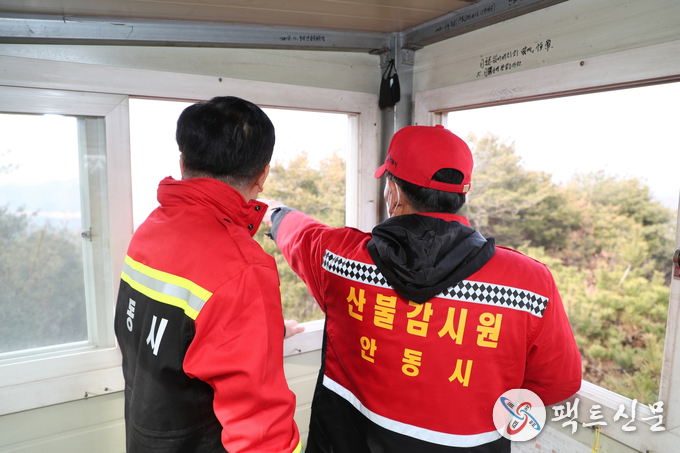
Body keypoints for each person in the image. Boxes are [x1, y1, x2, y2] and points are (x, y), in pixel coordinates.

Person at [262, 125, 582, 452]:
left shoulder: (340, 260)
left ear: (393, 193)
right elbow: (559, 382)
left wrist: (275, 214)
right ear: (460, 195)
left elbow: (300, 234)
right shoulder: (529, 282)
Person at [114, 96, 302, 453]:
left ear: (183, 162)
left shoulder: (150, 230)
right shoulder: (242, 268)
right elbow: (260, 431)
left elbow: (179, 338)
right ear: (263, 174)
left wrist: (269, 331)